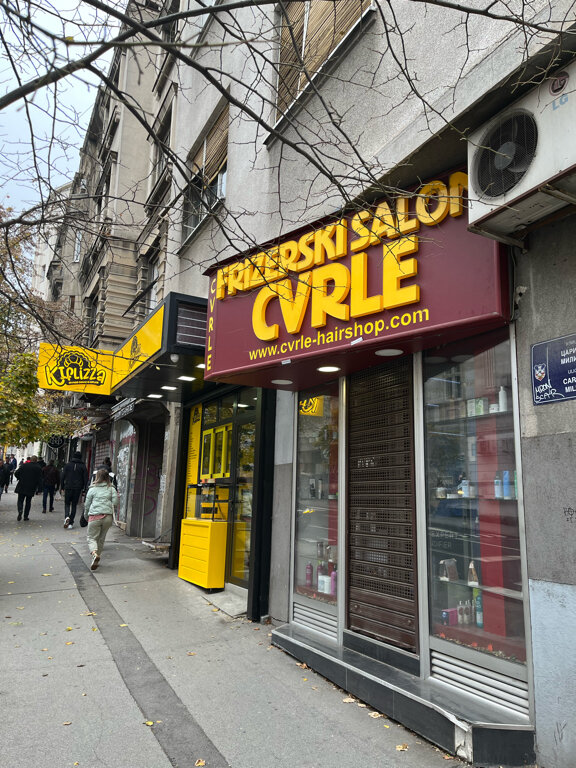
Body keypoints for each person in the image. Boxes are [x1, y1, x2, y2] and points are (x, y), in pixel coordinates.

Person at [83, 468, 118, 570]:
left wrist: (86, 516)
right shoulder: (112, 489)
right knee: (101, 539)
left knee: (91, 538)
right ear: (108, 477)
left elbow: (87, 505)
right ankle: (96, 557)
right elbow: (115, 503)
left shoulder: (92, 489)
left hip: (95, 516)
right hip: (107, 517)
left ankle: (94, 554)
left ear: (97, 477)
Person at [60, 451, 89, 529]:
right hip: (77, 488)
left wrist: (62, 487)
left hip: (68, 487)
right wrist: (85, 489)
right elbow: (85, 478)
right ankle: (71, 523)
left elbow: (62, 476)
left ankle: (67, 517)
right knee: (74, 505)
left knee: (67, 503)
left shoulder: (67, 465)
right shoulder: (83, 466)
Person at [14, 456, 43, 521]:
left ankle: (20, 510)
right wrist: (40, 489)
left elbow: (16, 473)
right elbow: (40, 479)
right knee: (28, 502)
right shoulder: (38, 468)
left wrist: (20, 478)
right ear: (36, 460)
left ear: (30, 460)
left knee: (20, 500)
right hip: (31, 487)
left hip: (22, 485)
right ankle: (25, 516)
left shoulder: (24, 465)